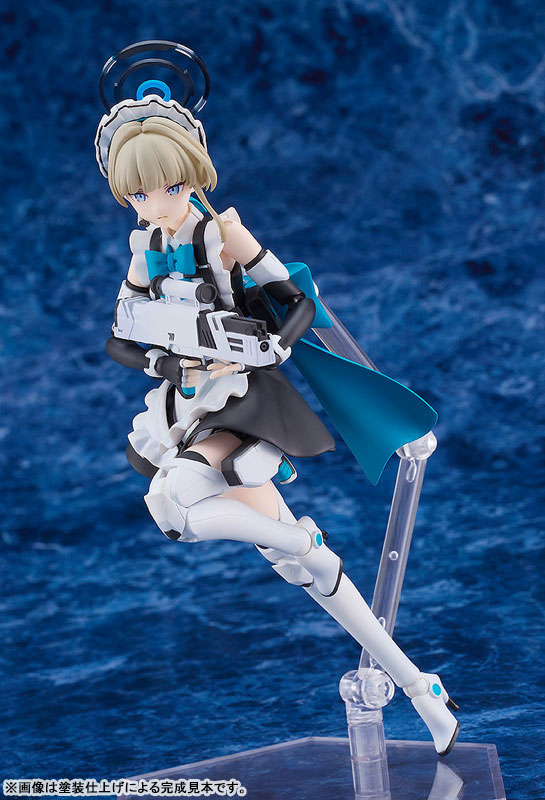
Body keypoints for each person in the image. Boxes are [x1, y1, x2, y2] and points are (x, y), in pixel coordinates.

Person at [95, 90, 460, 756]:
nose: (158, 202)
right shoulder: (145, 247)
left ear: (192, 177)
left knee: (173, 506)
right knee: (303, 571)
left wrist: (272, 347)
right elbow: (121, 338)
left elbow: (295, 303)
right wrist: (164, 360)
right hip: (185, 401)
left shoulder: (223, 234)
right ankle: (419, 687)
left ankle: (302, 541)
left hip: (240, 396)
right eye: (142, 193)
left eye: (170, 186)